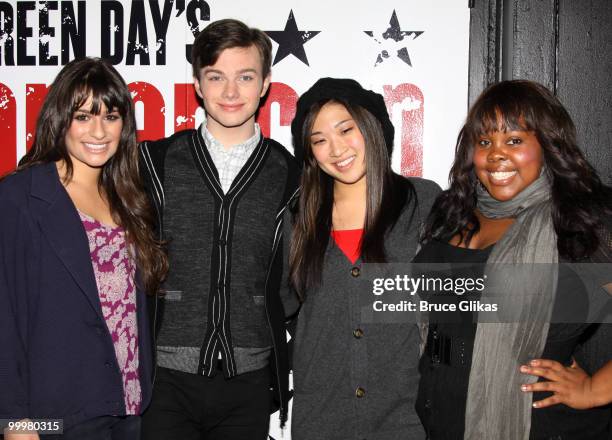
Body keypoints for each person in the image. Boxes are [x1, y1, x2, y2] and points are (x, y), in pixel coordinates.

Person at [415, 80, 612, 439]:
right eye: (485, 141)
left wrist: (595, 389)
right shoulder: (452, 216)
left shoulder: (579, 223)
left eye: (515, 140)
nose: (496, 154)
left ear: (548, 145)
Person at [139, 19, 299, 439]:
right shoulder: (155, 163)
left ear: (265, 83)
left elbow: (294, 279)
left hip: (247, 381)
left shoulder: (289, 174)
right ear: (197, 83)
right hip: (162, 378)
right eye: (216, 77)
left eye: (245, 77)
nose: (231, 92)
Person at [0, 57, 167, 440]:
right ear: (61, 119)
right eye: (83, 116)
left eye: (110, 116)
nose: (99, 131)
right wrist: (14, 422)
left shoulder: (129, 198)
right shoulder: (20, 197)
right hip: (58, 415)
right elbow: (3, 318)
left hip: (129, 408)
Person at [284, 77, 441, 439]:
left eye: (345, 130)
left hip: (406, 416)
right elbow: (285, 306)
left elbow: (457, 300)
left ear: (372, 127)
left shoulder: (423, 202)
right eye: (319, 140)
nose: (336, 149)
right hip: (322, 415)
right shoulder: (299, 218)